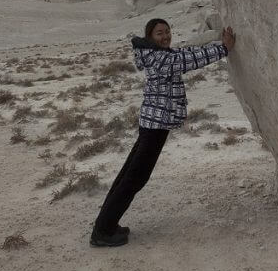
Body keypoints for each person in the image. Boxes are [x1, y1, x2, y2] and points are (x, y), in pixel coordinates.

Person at [90, 18, 236, 247]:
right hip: (155, 125)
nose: (165, 36)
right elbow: (187, 60)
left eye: (167, 31)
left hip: (153, 123)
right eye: (159, 33)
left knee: (129, 173)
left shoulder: (157, 53)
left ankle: (105, 223)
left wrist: (216, 42)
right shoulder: (159, 58)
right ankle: (102, 232)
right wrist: (224, 49)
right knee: (135, 177)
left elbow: (184, 52)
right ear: (150, 37)